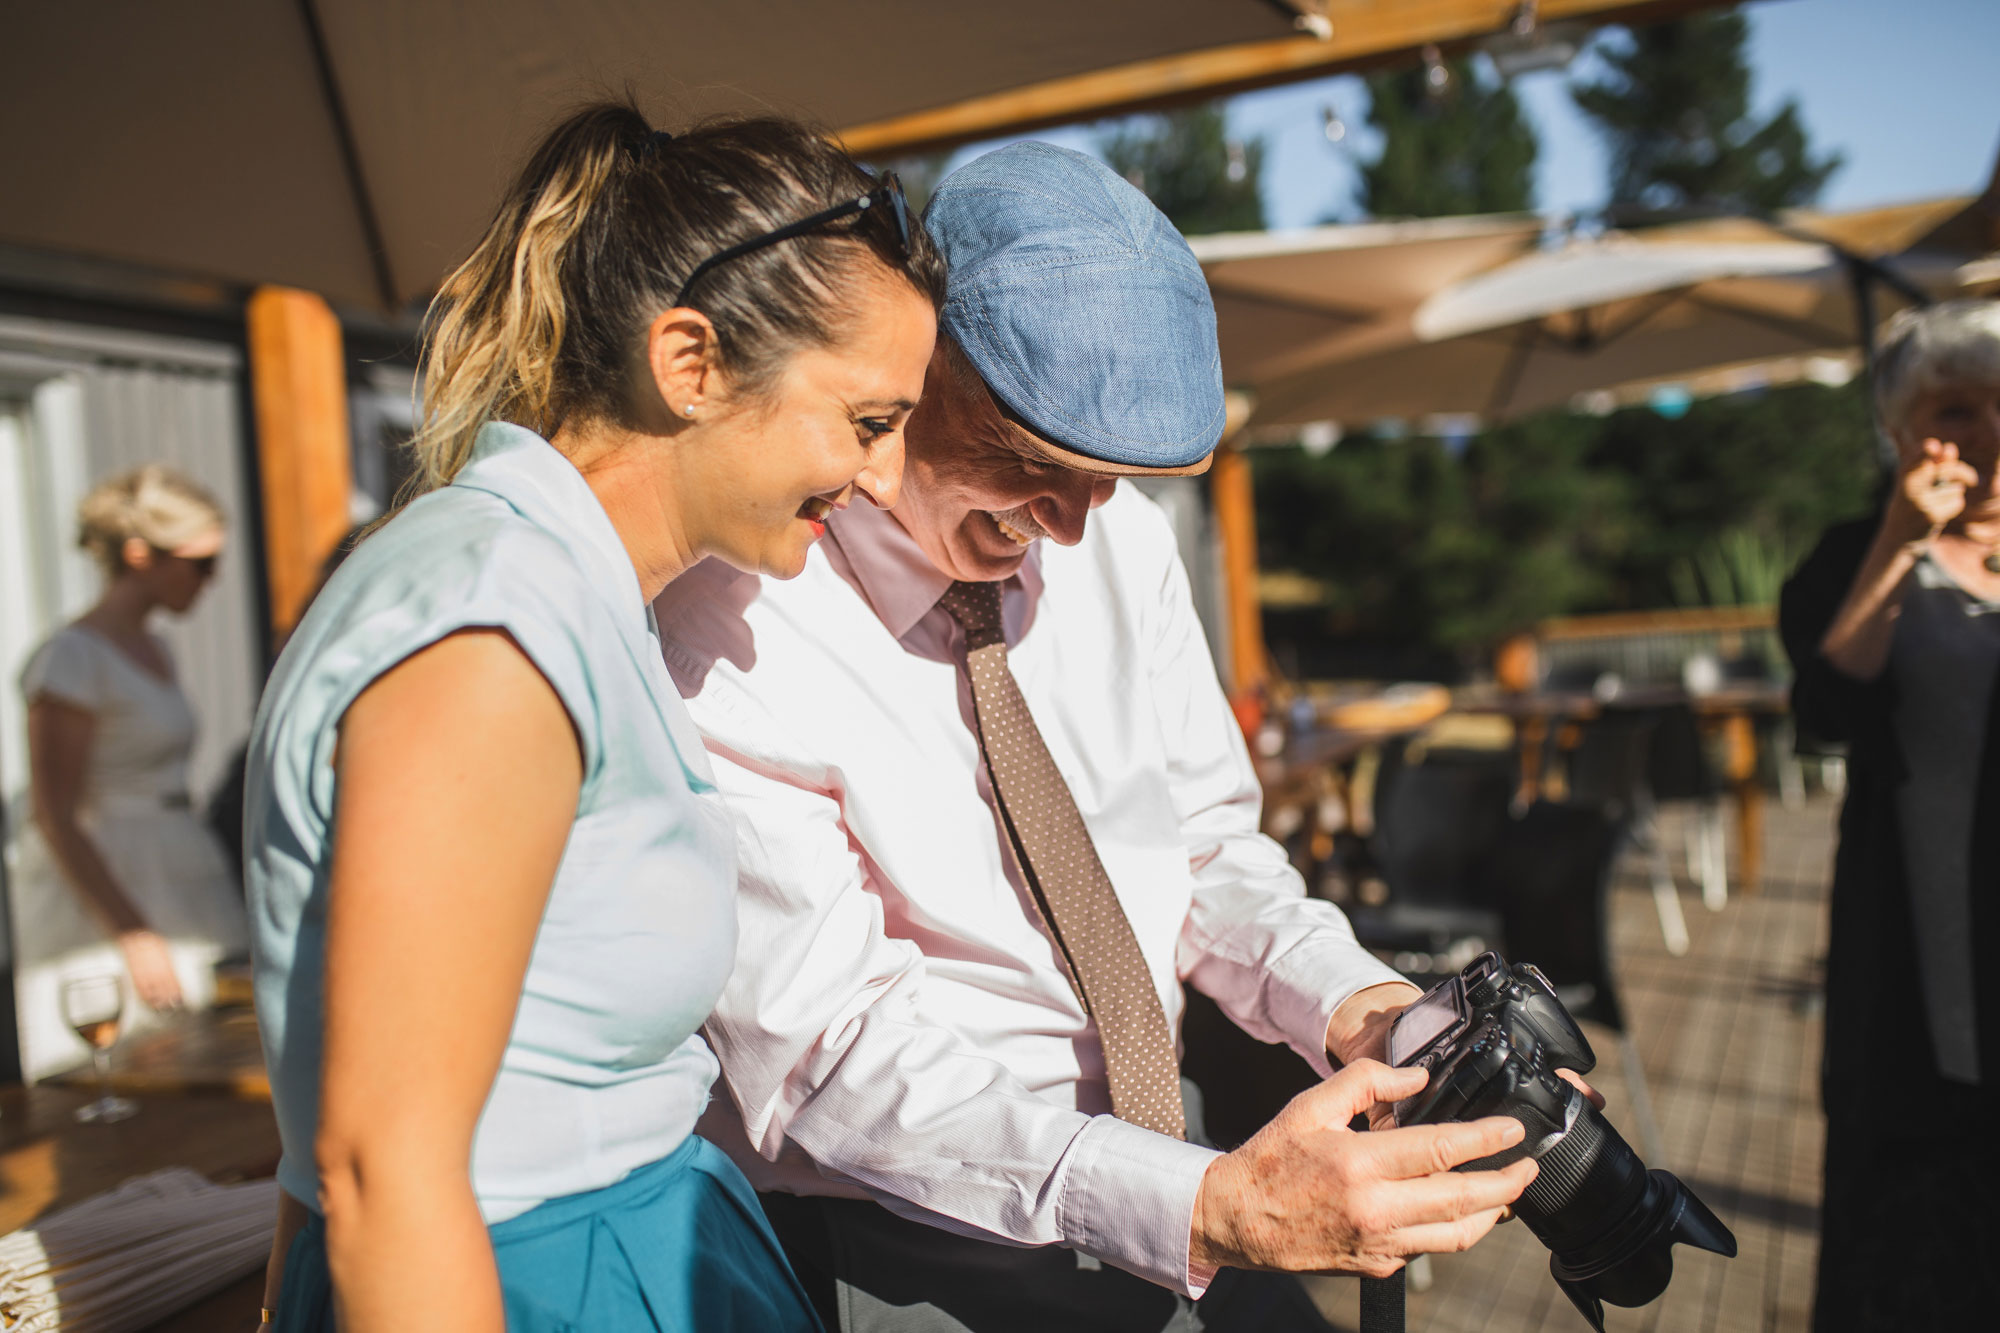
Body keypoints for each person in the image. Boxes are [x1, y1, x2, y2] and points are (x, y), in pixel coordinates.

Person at [657, 142, 1540, 1333]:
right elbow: (822, 1050)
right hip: (896, 1231)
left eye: (1112, 480)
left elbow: (1207, 853)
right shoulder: (733, 608)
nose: (1071, 529)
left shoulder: (1117, 547)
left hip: (1161, 1159)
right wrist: (1201, 1205)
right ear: (920, 357)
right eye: (1033, 463)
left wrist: (1362, 1008)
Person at [247, 103, 943, 1332]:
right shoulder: (490, 622)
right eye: (869, 423)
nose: (884, 479)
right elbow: (375, 1176)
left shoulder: (567, 595)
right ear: (691, 366)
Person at [1781, 299, 2000, 1331]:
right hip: (1913, 955)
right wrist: (1898, 541)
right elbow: (1825, 709)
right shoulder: (1848, 559)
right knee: (1908, 1247)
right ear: (1901, 428)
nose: (1984, 432)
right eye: (1955, 407)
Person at [15, 464, 249, 1083]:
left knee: (197, 1057)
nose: (211, 580)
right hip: (111, 888)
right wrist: (133, 935)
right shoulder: (71, 658)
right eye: (199, 564)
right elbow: (54, 814)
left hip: (178, 868)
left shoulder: (159, 649)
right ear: (141, 555)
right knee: (115, 1071)